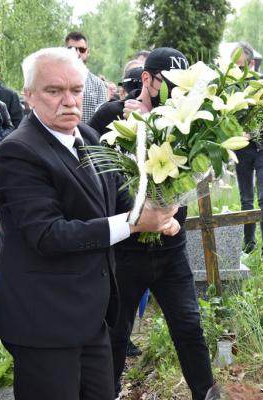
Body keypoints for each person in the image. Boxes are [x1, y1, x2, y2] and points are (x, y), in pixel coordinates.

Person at [0, 47, 180, 400]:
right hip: (42, 319)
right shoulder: (18, 152)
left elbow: (116, 196)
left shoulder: (88, 137)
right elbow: (49, 234)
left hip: (91, 314)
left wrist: (160, 214)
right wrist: (136, 222)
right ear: (28, 96)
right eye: (54, 91)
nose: (68, 101)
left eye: (76, 90)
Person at [89, 48, 214, 400]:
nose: (177, 93)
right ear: (147, 79)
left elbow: (197, 173)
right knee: (116, 329)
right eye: (168, 84)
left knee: (189, 325)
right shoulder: (111, 115)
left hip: (171, 245)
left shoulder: (189, 119)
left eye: (182, 86)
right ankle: (107, 392)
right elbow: (93, 173)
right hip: (124, 247)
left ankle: (206, 393)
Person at [232, 42, 263, 265]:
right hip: (242, 148)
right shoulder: (230, 86)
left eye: (241, 67)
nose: (238, 72)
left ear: (251, 64)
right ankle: (248, 245)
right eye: (234, 67)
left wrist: (256, 131)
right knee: (246, 199)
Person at [65, 31, 107, 123]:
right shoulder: (54, 81)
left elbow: (102, 118)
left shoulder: (98, 84)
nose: (77, 53)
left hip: (89, 136)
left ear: (87, 52)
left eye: (81, 49)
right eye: (71, 49)